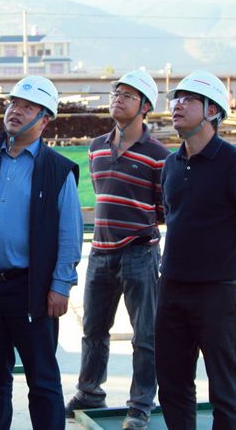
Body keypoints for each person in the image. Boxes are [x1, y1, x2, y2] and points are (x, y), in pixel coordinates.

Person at [0, 75, 84, 430]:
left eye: (27, 107)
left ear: (44, 120)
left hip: (31, 288)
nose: (15, 111)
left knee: (42, 379)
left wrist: (60, 285)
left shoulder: (57, 170)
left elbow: (70, 234)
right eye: (13, 103)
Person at [156, 70, 236, 430]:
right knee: (172, 386)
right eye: (176, 99)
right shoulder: (171, 165)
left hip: (218, 294)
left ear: (212, 111)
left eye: (189, 99)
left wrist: (232, 264)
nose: (177, 105)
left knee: (224, 390)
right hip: (171, 290)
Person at [65, 69, 170, 430]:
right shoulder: (96, 147)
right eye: (115, 93)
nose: (118, 99)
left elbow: (163, 208)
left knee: (146, 335)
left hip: (140, 253)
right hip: (100, 252)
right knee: (94, 329)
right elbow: (103, 194)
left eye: (127, 95)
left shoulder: (159, 155)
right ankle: (89, 392)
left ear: (145, 107)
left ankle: (140, 404)